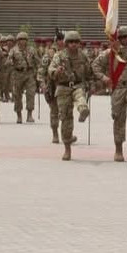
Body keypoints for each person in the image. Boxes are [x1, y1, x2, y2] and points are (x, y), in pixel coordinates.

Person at [91, 25, 127, 162]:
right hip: (117, 88)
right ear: (118, 38)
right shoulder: (109, 54)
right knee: (118, 118)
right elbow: (95, 65)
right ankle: (118, 150)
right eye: (123, 37)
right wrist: (103, 78)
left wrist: (121, 49)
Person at [49, 30, 92, 161]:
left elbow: (89, 73)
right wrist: (57, 71)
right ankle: (67, 148)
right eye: (71, 42)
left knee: (81, 99)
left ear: (79, 43)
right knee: (66, 119)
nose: (74, 44)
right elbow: (50, 70)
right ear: (66, 44)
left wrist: (92, 85)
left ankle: (83, 110)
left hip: (78, 85)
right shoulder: (59, 56)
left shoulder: (83, 56)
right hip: (63, 88)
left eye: (76, 42)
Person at [8, 32, 40, 124]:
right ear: (18, 41)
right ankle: (19, 115)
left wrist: (39, 71)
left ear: (27, 41)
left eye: (24, 39)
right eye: (20, 39)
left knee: (30, 93)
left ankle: (29, 114)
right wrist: (10, 61)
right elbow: (9, 60)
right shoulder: (13, 50)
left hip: (29, 73)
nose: (22, 41)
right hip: (17, 74)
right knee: (17, 95)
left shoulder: (32, 50)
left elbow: (38, 61)